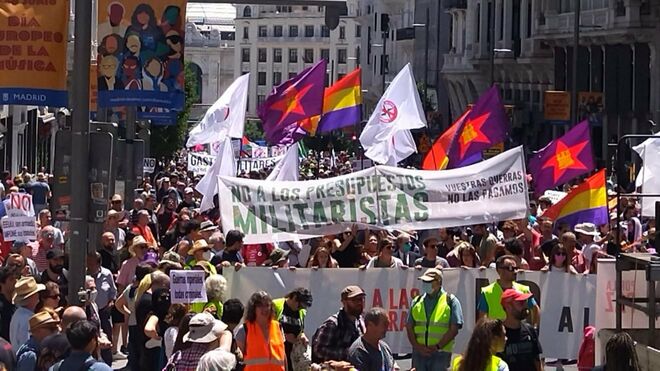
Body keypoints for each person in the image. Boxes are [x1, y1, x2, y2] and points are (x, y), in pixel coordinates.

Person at [407, 268, 463, 370]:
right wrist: (418, 347)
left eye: (428, 281)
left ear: (439, 282)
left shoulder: (451, 301)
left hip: (441, 353)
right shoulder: (416, 301)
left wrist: (438, 346)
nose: (425, 284)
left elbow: (454, 329)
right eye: (424, 281)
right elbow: (409, 326)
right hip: (419, 353)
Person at [478, 255, 540, 328]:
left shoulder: (523, 290)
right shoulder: (487, 292)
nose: (515, 271)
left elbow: (535, 309)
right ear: (499, 270)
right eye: (510, 268)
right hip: (496, 336)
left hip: (518, 334)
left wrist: (534, 328)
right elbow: (482, 319)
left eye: (516, 268)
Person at [312, 285, 366, 363]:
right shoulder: (333, 324)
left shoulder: (360, 321)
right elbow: (319, 350)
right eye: (354, 300)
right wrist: (348, 352)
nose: (359, 303)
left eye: (361, 299)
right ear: (344, 302)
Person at [235, 292, 286, 370]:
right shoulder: (245, 329)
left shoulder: (278, 327)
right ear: (253, 308)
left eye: (267, 305)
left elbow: (283, 357)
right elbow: (237, 358)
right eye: (260, 306)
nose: (264, 309)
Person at [497, 289, 543, 371]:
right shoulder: (497, 334)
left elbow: (537, 362)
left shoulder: (530, 330)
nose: (525, 306)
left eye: (525, 302)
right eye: (521, 303)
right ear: (508, 307)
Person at [86, 252, 117, 365]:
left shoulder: (106, 274)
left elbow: (113, 291)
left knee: (106, 338)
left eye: (91, 263)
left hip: (103, 311)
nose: (89, 265)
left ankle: (107, 363)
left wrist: (111, 302)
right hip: (89, 312)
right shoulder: (84, 274)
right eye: (87, 262)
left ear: (98, 263)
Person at [273, 288, 313, 370]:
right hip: (276, 354)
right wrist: (283, 336)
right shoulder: (276, 305)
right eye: (300, 305)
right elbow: (266, 329)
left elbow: (300, 330)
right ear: (294, 297)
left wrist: (302, 336)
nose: (300, 308)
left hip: (293, 357)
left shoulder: (301, 312)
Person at [10, 276, 45, 352]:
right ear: (31, 297)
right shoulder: (28, 318)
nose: (38, 295)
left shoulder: (18, 313)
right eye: (36, 293)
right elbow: (26, 343)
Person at [0, 266, 16, 342]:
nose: (15, 282)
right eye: (11, 279)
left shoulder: (14, 304)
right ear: (2, 283)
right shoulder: (1, 307)